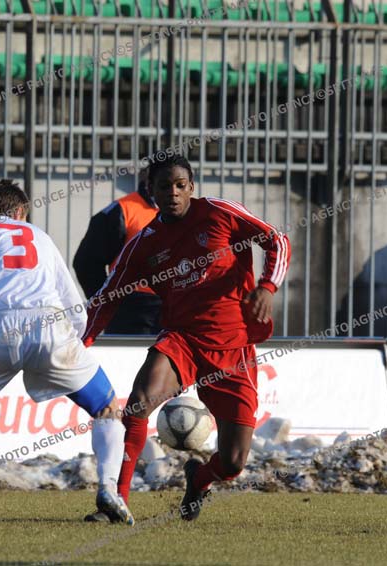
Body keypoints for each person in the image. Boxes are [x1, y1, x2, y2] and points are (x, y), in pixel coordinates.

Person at [82, 153, 291, 522]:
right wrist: (81, 343)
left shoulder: (219, 213)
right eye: (164, 186)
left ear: (191, 187)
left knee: (233, 462)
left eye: (180, 185)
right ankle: (115, 502)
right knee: (139, 404)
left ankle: (200, 478)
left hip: (233, 347)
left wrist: (267, 287)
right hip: (182, 340)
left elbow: (277, 241)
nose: (173, 193)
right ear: (151, 190)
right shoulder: (144, 243)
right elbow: (108, 294)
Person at [0, 179, 133, 525]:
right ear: (19, 212)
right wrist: (76, 340)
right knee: (107, 408)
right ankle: (108, 489)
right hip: (49, 326)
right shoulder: (40, 236)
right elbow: (71, 297)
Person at [73, 169, 161, 334]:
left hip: (177, 308)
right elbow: (86, 263)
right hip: (132, 311)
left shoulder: (190, 212)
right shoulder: (122, 210)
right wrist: (107, 303)